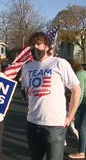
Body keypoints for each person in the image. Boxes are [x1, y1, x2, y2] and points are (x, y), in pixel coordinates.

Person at [21, 32, 81, 160]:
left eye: (38, 44)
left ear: (47, 46)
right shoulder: (27, 67)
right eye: (32, 45)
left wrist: (70, 116)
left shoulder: (59, 63)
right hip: (33, 123)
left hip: (55, 125)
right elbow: (28, 90)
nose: (35, 48)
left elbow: (76, 89)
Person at [67, 59, 86, 159]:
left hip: (85, 103)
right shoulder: (83, 73)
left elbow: (80, 93)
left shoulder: (78, 75)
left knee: (81, 127)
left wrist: (74, 109)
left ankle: (81, 152)